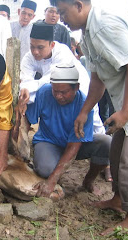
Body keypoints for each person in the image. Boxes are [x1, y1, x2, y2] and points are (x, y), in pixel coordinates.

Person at [53, 0, 128, 234]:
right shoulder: (87, 35)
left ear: (79, 5)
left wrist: (125, 112)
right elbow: (98, 78)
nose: (61, 18)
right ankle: (119, 199)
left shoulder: (104, 26)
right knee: (117, 150)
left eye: (63, 12)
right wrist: (84, 112)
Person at [19, 64, 110, 196]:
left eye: (63, 92)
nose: (58, 96)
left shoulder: (84, 106)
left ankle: (88, 181)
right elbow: (27, 120)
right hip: (49, 141)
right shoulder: (44, 92)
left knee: (106, 143)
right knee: (45, 169)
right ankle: (54, 164)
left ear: (76, 87)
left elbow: (74, 146)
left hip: (76, 146)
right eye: (55, 91)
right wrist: (21, 144)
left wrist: (51, 181)